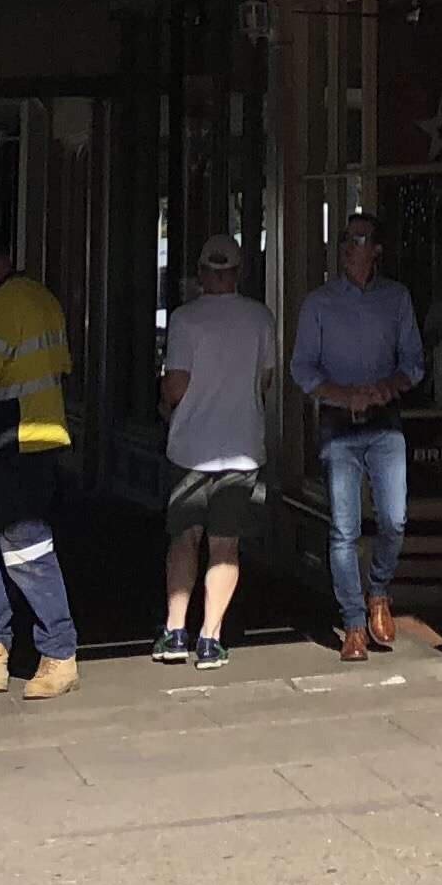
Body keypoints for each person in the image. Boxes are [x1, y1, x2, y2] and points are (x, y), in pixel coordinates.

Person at [289, 213, 428, 660]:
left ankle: (379, 591)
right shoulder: (319, 303)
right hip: (339, 424)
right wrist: (342, 394)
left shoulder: (396, 298)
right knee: (344, 527)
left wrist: (390, 386)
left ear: (378, 250)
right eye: (345, 240)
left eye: (360, 239)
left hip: (385, 423)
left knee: (394, 518)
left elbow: (414, 363)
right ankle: (352, 623)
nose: (351, 248)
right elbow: (301, 369)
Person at [0, 230, 83, 698]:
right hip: (42, 432)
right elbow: (61, 366)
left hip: (16, 437)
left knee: (26, 545)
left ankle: (59, 650)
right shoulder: (43, 298)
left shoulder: (1, 304)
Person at [155, 235, 274, 668]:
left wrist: (165, 407)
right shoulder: (261, 318)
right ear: (238, 272)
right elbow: (265, 382)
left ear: (203, 273)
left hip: (191, 448)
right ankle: (210, 638)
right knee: (226, 546)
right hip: (242, 448)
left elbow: (176, 384)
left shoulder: (186, 320)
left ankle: (174, 631)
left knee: (185, 538)